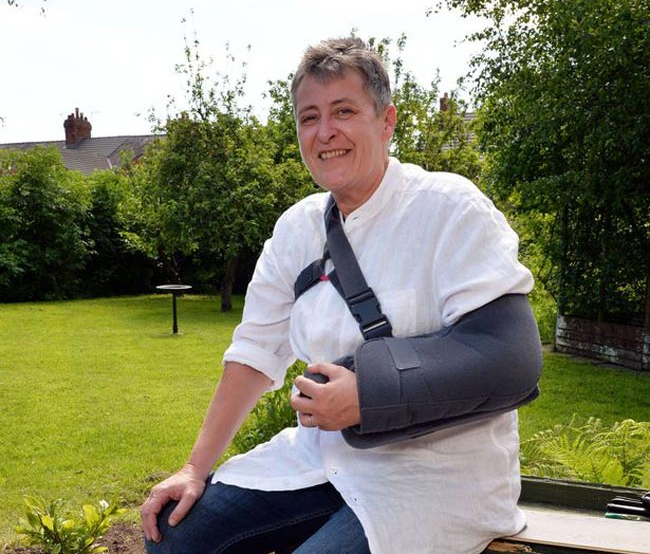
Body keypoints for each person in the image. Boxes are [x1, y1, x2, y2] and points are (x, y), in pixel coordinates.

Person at [141, 37, 539, 554]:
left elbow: (510, 357)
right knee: (175, 536)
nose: (325, 131)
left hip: (434, 477)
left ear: (387, 121)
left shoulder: (450, 208)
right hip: (318, 461)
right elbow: (254, 354)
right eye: (309, 117)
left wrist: (370, 395)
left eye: (344, 111)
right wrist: (195, 468)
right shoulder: (296, 230)